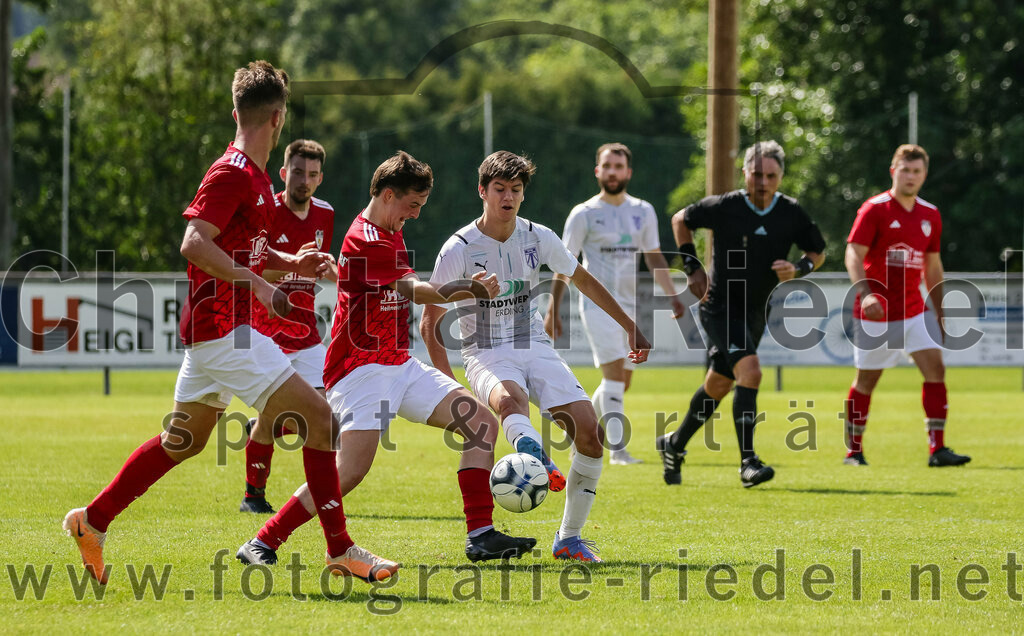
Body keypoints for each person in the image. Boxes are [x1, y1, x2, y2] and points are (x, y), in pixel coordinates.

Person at [63, 61, 397, 585]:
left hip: (218, 333)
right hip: (227, 328)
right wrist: (264, 288)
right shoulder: (232, 172)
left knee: (184, 440)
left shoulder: (257, 180)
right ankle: (340, 549)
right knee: (321, 420)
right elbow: (194, 242)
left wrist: (289, 266)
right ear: (279, 118)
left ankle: (92, 521)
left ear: (235, 111)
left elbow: (239, 251)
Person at [237, 151, 537, 566]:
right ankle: (264, 541)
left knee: (480, 422)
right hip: (361, 369)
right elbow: (413, 289)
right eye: (413, 205)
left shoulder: (387, 230)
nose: (414, 215)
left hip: (398, 363)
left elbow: (390, 287)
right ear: (390, 194)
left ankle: (481, 535)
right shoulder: (365, 238)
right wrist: (470, 288)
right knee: (351, 469)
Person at [421, 151, 651, 562]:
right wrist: (449, 384)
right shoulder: (458, 247)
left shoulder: (538, 235)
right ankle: (535, 454)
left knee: (590, 434)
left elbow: (581, 277)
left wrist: (628, 324)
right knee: (511, 401)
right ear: (482, 191)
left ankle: (569, 538)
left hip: (534, 344)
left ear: (523, 194)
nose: (507, 197)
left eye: (515, 190)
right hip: (486, 352)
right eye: (499, 189)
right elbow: (429, 322)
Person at [657, 140, 826, 488]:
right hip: (719, 307)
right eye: (757, 173)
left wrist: (799, 267)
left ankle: (673, 445)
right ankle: (748, 463)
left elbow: (817, 251)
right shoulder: (725, 205)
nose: (763, 181)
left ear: (781, 177)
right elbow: (680, 220)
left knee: (719, 383)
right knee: (751, 371)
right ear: (745, 173)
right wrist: (692, 268)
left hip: (755, 311)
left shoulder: (791, 212)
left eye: (771, 175)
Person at [545, 143, 687, 465]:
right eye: (606, 166)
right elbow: (564, 264)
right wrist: (554, 308)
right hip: (597, 307)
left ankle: (582, 434)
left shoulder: (643, 211)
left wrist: (673, 295)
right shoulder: (584, 214)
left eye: (618, 166)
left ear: (628, 172)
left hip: (632, 308)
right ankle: (617, 451)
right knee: (612, 377)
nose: (612, 172)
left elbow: (654, 257)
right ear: (597, 171)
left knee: (622, 381)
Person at [842, 144, 970, 467]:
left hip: (914, 311)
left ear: (924, 175)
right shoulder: (874, 209)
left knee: (936, 371)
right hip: (877, 315)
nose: (911, 176)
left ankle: (937, 450)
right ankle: (853, 452)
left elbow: (933, 264)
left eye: (917, 171)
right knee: (866, 382)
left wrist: (938, 309)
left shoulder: (930, 214)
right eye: (905, 170)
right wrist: (865, 293)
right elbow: (853, 254)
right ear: (893, 171)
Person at [240, 139, 337, 514]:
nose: (304, 180)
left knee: (324, 417)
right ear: (284, 173)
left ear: (320, 178)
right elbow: (252, 264)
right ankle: (253, 496)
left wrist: (328, 271)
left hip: (307, 334)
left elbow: (318, 269)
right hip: (267, 333)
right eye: (298, 172)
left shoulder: (325, 214)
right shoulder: (266, 209)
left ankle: (321, 496)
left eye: (312, 174)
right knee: (275, 414)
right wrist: (295, 263)